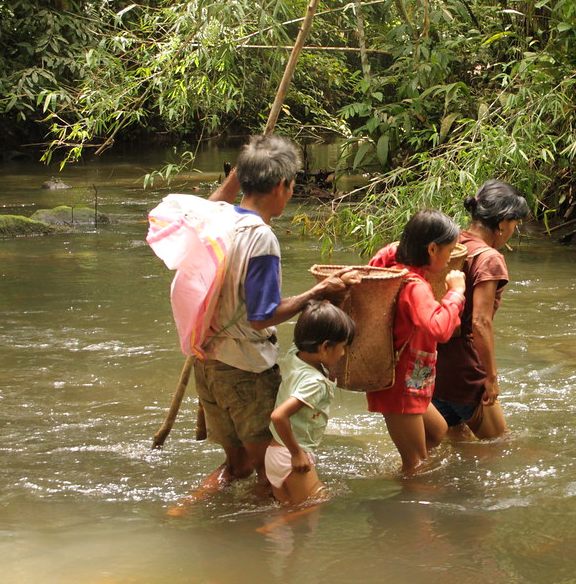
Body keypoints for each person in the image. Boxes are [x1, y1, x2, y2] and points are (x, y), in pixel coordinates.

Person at [190, 134, 358, 499]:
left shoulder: (215, 220)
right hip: (246, 368)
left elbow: (210, 206)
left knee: (237, 466)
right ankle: (256, 545)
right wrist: (317, 292)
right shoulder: (260, 238)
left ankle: (189, 509)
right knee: (271, 475)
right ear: (282, 186)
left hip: (208, 362)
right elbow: (261, 317)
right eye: (292, 185)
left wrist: (240, 171)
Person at [367, 210, 466, 474]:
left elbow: (383, 254)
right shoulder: (415, 286)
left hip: (407, 380)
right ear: (432, 249)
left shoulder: (393, 268)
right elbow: (440, 329)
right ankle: (410, 501)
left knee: (437, 431)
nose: (449, 258)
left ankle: (403, 470)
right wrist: (456, 292)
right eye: (449, 250)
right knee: (418, 465)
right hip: (400, 386)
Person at [433, 180, 528, 440]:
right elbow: (480, 322)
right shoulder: (489, 258)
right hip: (464, 367)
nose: (513, 230)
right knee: (500, 444)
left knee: (457, 439)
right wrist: (491, 377)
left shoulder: (451, 244)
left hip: (433, 364)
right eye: (515, 224)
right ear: (503, 221)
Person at [265, 300, 355, 505]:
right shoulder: (314, 383)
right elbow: (278, 415)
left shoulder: (295, 354)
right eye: (342, 348)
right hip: (291, 455)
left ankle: (270, 532)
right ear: (324, 347)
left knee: (288, 510)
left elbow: (308, 329)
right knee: (312, 509)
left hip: (274, 454)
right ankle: (268, 530)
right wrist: (297, 454)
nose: (343, 354)